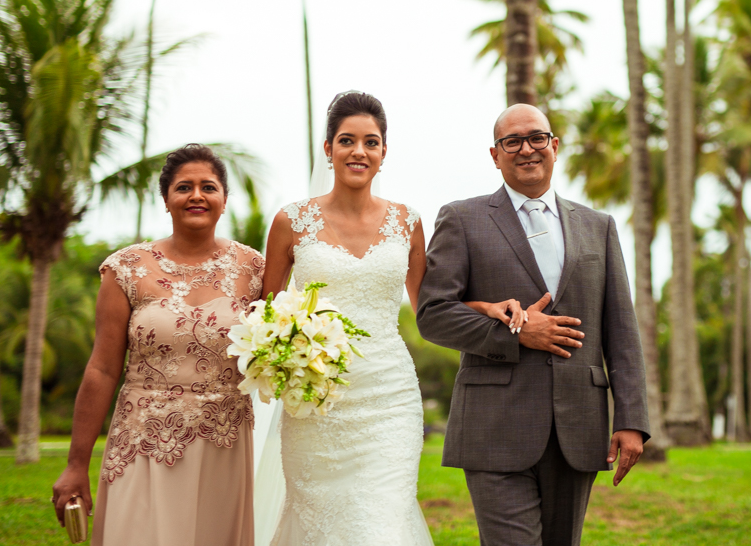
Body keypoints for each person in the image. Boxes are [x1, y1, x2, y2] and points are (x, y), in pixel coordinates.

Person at [416, 103, 650, 546]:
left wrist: (632, 417)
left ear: (554, 146)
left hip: (578, 427)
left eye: (536, 138)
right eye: (512, 142)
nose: (526, 149)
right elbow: (433, 315)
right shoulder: (462, 219)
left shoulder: (599, 226)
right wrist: (521, 334)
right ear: (495, 154)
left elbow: (622, 329)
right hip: (494, 427)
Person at [52, 144, 265, 546]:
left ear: (224, 199)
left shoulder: (255, 269)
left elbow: (273, 352)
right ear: (166, 199)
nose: (197, 196)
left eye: (209, 187)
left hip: (224, 443)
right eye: (184, 187)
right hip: (143, 441)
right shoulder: (126, 269)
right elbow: (101, 369)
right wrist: (75, 464)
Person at [257, 91, 433, 545]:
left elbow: (431, 306)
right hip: (315, 399)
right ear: (328, 149)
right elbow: (266, 312)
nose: (359, 151)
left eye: (371, 142)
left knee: (384, 519)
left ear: (384, 152)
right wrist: (289, 355)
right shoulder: (291, 221)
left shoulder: (407, 222)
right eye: (347, 140)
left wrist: (491, 309)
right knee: (322, 519)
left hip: (390, 397)